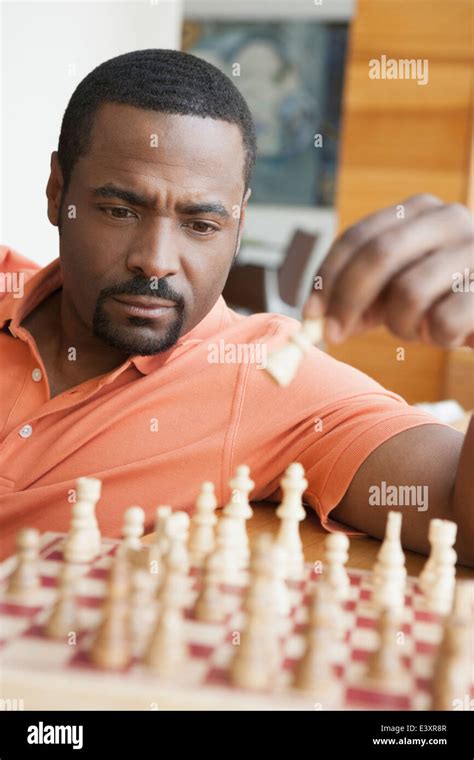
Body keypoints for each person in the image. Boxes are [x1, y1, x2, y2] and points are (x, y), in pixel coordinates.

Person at [0, 50, 472, 564]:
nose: (155, 262)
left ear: (240, 222)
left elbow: (460, 516)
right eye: (119, 210)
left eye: (201, 225)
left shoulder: (269, 378)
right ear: (56, 191)